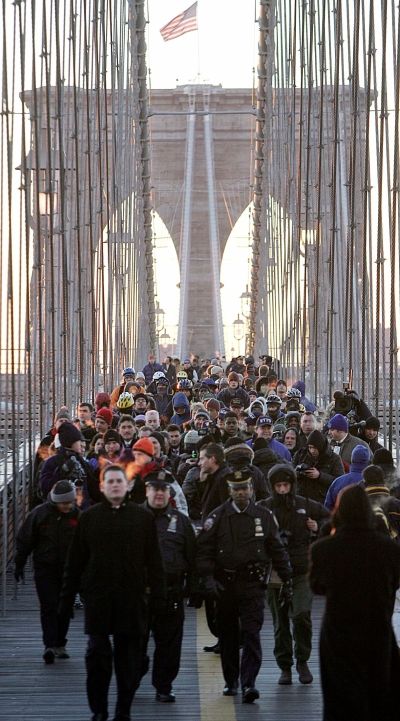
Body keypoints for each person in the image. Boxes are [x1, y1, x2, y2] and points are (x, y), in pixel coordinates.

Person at [59, 464, 166, 721]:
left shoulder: (142, 519)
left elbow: (154, 562)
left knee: (128, 661)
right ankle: (99, 710)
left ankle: (123, 710)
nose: (116, 485)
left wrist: (159, 600)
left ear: (128, 486)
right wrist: (65, 600)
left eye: (120, 481)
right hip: (98, 598)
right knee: (97, 656)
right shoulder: (90, 518)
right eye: (111, 481)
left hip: (131, 598)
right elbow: (75, 562)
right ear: (103, 486)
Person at [196, 469, 292, 703]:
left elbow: (276, 548)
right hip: (225, 584)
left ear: (251, 489)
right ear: (230, 491)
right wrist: (207, 579)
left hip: (252, 583)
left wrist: (287, 578)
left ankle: (249, 682)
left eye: (244, 488)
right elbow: (204, 551)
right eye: (236, 489)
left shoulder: (263, 515)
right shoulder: (218, 517)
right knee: (228, 636)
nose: (241, 493)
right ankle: (231, 681)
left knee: (251, 633)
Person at [310, 485, 400, 721]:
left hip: (338, 634)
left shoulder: (324, 549)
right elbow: (395, 583)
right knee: (378, 692)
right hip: (378, 631)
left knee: (340, 695)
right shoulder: (389, 549)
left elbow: (317, 586)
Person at [258, 464, 329, 685]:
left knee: (301, 615)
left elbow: (331, 520)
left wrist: (318, 527)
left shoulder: (306, 506)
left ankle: (302, 659)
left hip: (301, 571)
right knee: (280, 623)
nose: (282, 489)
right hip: (275, 572)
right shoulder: (263, 509)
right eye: (278, 486)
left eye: (285, 485)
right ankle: (285, 665)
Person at [143, 470, 197, 702]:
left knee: (169, 645)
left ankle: (163, 685)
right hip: (140, 594)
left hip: (171, 592)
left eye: (163, 490)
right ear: (147, 491)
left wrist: (194, 590)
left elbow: (193, 558)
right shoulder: (134, 518)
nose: (159, 494)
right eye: (155, 489)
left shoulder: (181, 522)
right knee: (134, 643)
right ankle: (135, 671)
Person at [14, 480, 80, 663]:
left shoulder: (77, 517)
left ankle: (60, 642)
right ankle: (50, 645)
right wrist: (19, 563)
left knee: (64, 608)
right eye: (63, 503)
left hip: (69, 570)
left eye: (69, 502)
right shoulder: (39, 514)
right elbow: (25, 540)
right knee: (49, 606)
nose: (67, 506)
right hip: (45, 567)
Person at [293, 429, 344, 503]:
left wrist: (320, 475)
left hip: (322, 501)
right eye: (310, 447)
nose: (312, 451)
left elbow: (339, 481)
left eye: (315, 448)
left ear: (321, 447)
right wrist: (299, 472)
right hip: (301, 498)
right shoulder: (301, 454)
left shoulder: (334, 458)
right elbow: (290, 472)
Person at [324, 444, 371, 511]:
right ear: (368, 461)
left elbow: (327, 507)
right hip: (365, 520)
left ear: (352, 459)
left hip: (340, 519)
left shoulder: (338, 482)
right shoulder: (371, 483)